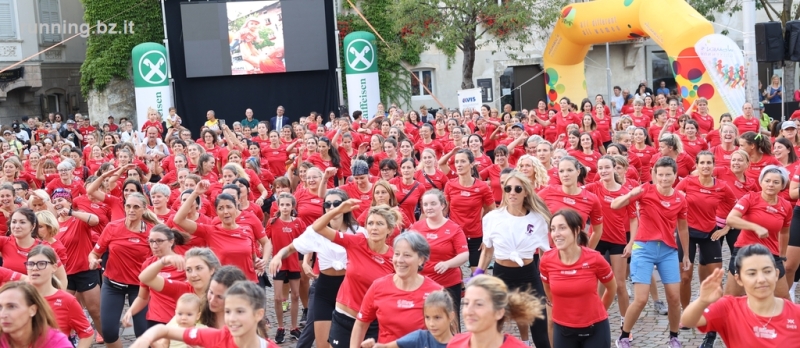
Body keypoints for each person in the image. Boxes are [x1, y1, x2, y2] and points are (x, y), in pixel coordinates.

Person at [611, 157, 691, 348]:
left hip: (668, 251)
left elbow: (683, 229)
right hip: (643, 248)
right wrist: (632, 193)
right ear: (654, 174)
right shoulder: (645, 190)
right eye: (660, 174)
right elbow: (615, 205)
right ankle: (623, 336)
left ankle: (673, 337)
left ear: (675, 175)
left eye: (668, 175)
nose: (663, 179)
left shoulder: (680, 198)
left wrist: (686, 254)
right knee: (641, 298)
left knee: (673, 297)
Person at [269, 189, 365, 348]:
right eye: (328, 204)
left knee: (347, 343)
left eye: (337, 204)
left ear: (345, 206)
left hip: (349, 288)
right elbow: (291, 248)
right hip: (324, 289)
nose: (332, 207)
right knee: (323, 344)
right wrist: (278, 255)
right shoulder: (316, 232)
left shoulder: (359, 232)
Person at [475, 171, 551, 348]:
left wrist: (548, 280)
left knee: (540, 330)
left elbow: (544, 253)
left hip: (529, 276)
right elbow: (487, 251)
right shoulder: (492, 218)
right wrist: (478, 273)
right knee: (494, 326)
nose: (512, 193)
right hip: (502, 276)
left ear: (526, 192)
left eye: (518, 189)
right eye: (508, 188)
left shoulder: (537, 218)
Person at [681, 244, 800, 346]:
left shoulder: (796, 313)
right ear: (738, 279)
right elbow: (688, 321)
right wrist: (702, 301)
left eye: (767, 271)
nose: (761, 279)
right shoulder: (729, 307)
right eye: (752, 273)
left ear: (776, 274)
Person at [88, 192, 159, 347]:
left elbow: (158, 259)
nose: (131, 210)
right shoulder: (112, 227)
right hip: (113, 285)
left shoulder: (151, 232)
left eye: (136, 207)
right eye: (128, 206)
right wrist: (93, 260)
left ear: (144, 209)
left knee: (143, 333)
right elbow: (95, 253)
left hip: (139, 288)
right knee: (108, 332)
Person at [350, 232, 442, 346]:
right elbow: (361, 324)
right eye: (397, 254)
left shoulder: (435, 292)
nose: (400, 260)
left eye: (407, 255)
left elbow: (446, 335)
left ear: (421, 260)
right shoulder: (378, 286)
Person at [541, 209, 615, 348]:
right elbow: (548, 291)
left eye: (562, 228)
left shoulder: (595, 258)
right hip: (563, 330)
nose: (556, 234)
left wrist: (599, 312)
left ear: (576, 230)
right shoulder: (546, 260)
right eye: (553, 229)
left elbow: (611, 288)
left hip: (595, 329)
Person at [129, 280, 278, 348]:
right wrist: (145, 339)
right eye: (227, 311)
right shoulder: (216, 337)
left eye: (240, 311)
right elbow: (164, 330)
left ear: (258, 314)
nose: (232, 318)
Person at [725, 165, 792, 299]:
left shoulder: (786, 206)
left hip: (771, 254)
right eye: (767, 181)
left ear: (782, 186)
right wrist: (755, 227)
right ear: (761, 182)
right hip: (745, 250)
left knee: (784, 299)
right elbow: (731, 219)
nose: (771, 185)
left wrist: (783, 255)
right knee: (730, 298)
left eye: (776, 182)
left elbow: (784, 232)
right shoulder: (750, 198)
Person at [411, 189, 468, 324]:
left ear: (442, 205)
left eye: (433, 204)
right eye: (425, 204)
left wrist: (447, 263)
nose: (428, 208)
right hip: (422, 283)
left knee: (450, 322)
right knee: (423, 322)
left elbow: (464, 254)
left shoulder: (454, 228)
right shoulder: (416, 227)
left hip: (448, 283)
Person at [447, 275, 544, 348]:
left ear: (499, 312)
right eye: (466, 303)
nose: (469, 311)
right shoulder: (455, 343)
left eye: (479, 304)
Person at [26, 245, 94, 348]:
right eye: (30, 264)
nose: (35, 268)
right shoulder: (18, 297)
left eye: (41, 264)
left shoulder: (67, 301)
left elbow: (87, 334)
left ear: (54, 267)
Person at [122, 224, 188, 329]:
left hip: (179, 319)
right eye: (151, 241)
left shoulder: (185, 263)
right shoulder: (148, 264)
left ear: (171, 241)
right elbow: (143, 297)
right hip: (155, 320)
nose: (154, 245)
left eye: (159, 241)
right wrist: (130, 311)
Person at [443, 150, 495, 272]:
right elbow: (444, 210)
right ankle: (460, 290)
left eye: (463, 161)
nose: (459, 165)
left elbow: (492, 210)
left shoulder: (482, 187)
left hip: (475, 235)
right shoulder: (450, 185)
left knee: (477, 272)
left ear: (472, 164)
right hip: (454, 234)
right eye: (456, 162)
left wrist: (487, 235)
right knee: (454, 270)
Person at [265, 193, 305, 343]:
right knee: (277, 298)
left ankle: (294, 327)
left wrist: (307, 260)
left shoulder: (298, 222)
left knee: (295, 296)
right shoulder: (272, 222)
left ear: (293, 206)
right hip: (278, 264)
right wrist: (263, 257)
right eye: (282, 205)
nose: (285, 207)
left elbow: (306, 242)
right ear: (278, 206)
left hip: (294, 264)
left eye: (288, 205)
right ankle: (281, 327)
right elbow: (265, 241)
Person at [359, 290, 456, 348]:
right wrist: (372, 345)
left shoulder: (461, 343)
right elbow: (385, 347)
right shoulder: (420, 337)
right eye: (427, 317)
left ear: (451, 316)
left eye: (437, 318)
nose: (431, 323)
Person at [0, 281, 72, 347]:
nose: (2, 315)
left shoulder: (57, 343)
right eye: (0, 307)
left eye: (12, 307)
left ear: (32, 310)